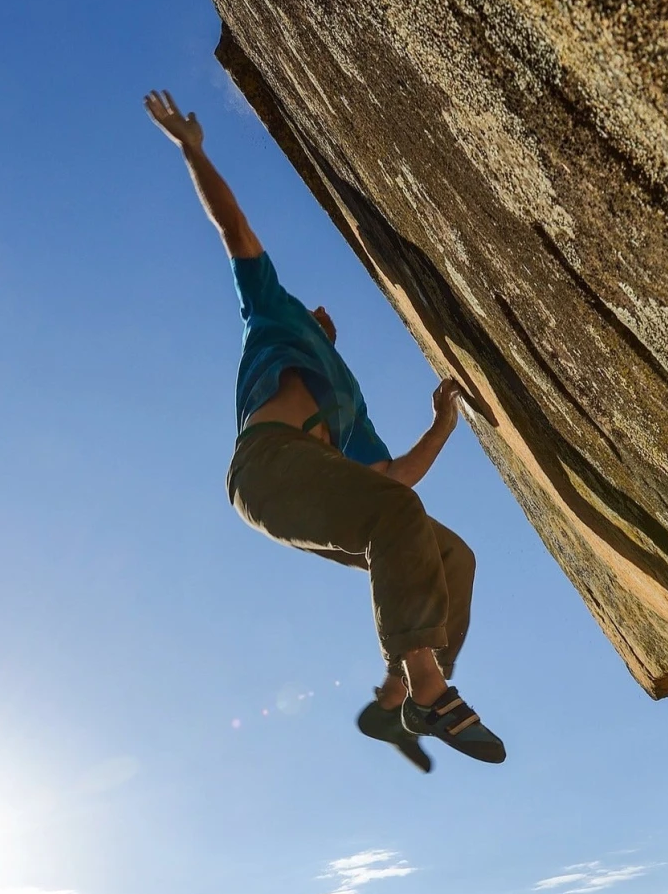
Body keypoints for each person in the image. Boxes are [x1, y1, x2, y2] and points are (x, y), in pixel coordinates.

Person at [145, 89, 505, 769]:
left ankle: (401, 691)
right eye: (317, 315)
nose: (322, 316)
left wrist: (444, 423)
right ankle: (427, 689)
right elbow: (233, 230)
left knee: (450, 554)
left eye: (327, 321)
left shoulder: (350, 408)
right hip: (266, 469)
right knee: (399, 516)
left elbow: (393, 479)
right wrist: (194, 149)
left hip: (318, 485)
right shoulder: (272, 313)